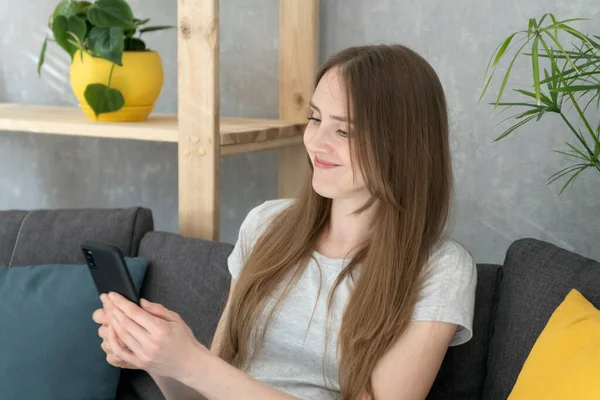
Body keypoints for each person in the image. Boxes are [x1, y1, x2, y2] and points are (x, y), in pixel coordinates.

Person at [93, 44, 477, 400]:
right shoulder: (267, 225)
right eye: (315, 118)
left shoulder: (439, 269)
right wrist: (163, 360)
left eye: (344, 130)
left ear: (404, 144)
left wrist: (194, 362)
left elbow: (210, 374)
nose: (315, 142)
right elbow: (204, 392)